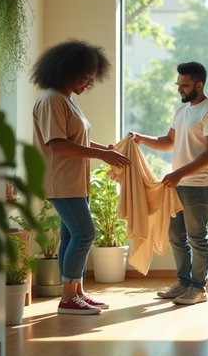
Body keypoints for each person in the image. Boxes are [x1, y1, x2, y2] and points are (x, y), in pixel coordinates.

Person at [31, 39, 132, 315]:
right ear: (66, 71)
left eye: (91, 78)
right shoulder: (52, 99)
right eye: (84, 77)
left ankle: (76, 292)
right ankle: (67, 298)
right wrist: (101, 157)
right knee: (85, 233)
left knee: (70, 236)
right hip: (60, 181)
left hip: (74, 181)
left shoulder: (66, 99)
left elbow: (79, 138)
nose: (88, 83)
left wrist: (107, 149)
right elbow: (57, 144)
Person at [131, 61, 208, 305]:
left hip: (199, 185)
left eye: (184, 85)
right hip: (179, 183)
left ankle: (198, 288)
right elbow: (168, 141)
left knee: (197, 236)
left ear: (199, 84)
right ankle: (184, 282)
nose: (179, 89)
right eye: (178, 84)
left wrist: (179, 173)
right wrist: (143, 139)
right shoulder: (182, 111)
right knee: (176, 236)